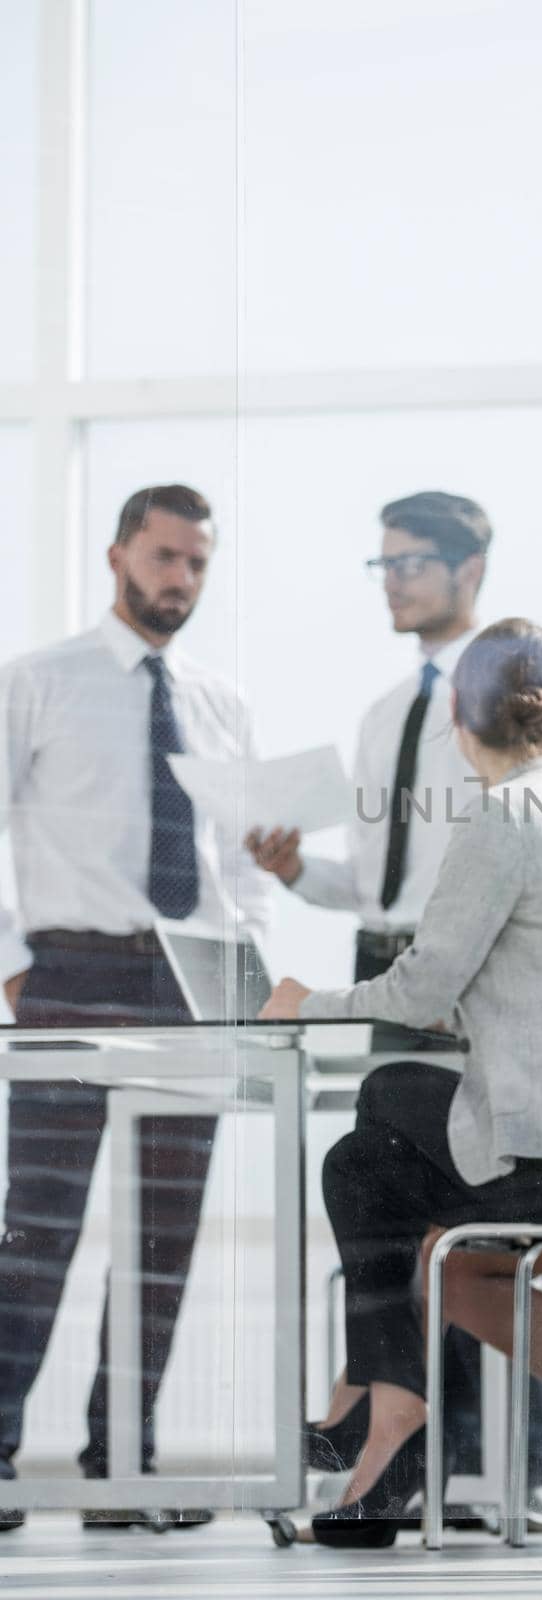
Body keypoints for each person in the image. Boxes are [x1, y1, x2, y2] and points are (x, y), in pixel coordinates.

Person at [260, 619, 542, 1547]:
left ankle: (381, 1412)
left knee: (368, 1140)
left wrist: (309, 998)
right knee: (457, 1266)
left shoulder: (503, 817)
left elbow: (423, 990)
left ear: (458, 724)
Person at [245, 490, 542, 1526]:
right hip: (392, 962)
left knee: (472, 1213)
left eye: (411, 561)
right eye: (381, 564)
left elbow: (497, 863)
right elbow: (388, 880)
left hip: (472, 972)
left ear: (471, 566)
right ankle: (419, 1447)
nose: (394, 579)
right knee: (402, 1200)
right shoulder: (386, 713)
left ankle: (511, 1466)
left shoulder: (504, 692)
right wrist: (303, 875)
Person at [0, 484, 269, 1531]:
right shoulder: (37, 682)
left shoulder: (221, 702)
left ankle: (124, 1466)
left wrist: (242, 982)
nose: (180, 580)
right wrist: (12, 964)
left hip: (186, 983)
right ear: (119, 554)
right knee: (39, 1226)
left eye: (197, 563)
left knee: (163, 1232)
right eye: (164, 557)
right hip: (68, 973)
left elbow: (238, 867)